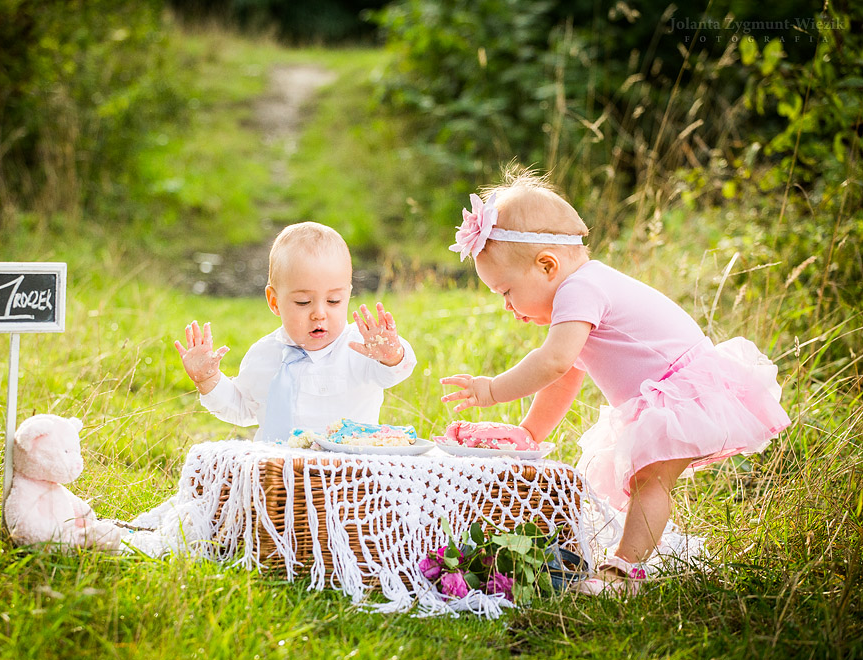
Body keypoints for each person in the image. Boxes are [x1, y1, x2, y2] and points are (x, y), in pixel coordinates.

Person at [439, 166, 791, 595]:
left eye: (506, 292)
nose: (508, 308)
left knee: (651, 481)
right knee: (648, 480)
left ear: (547, 265)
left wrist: (491, 390)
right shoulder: (583, 289)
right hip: (666, 394)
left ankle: (624, 573)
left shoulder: (580, 289)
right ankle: (629, 561)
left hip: (678, 394)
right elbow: (566, 375)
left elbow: (551, 362)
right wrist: (530, 430)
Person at [175, 221, 416, 443]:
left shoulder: (360, 348)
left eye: (334, 301)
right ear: (274, 301)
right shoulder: (263, 354)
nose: (319, 313)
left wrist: (391, 354)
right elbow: (242, 408)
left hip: (347, 473)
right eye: (303, 302)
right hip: (277, 477)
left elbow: (394, 373)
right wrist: (208, 380)